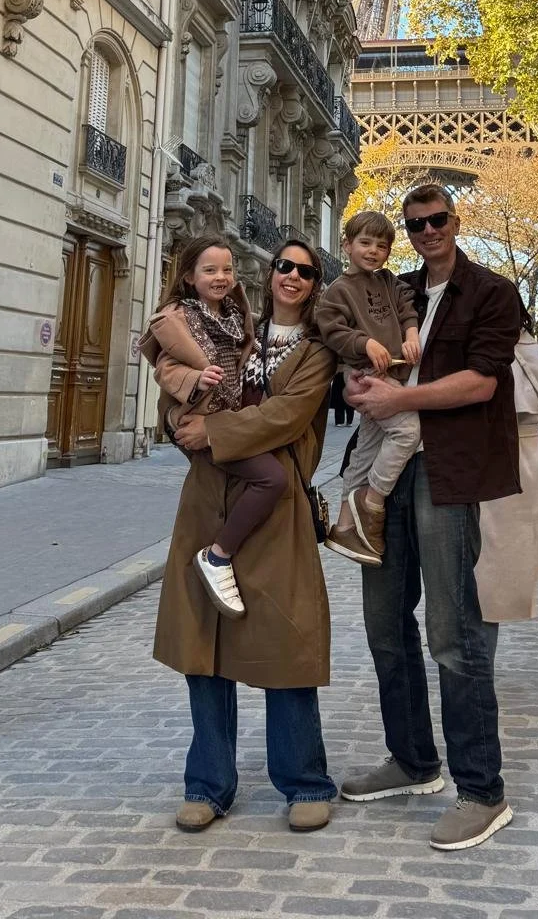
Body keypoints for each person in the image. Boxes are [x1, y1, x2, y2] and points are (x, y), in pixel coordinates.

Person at [340, 183, 521, 852]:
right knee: (384, 622)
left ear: (455, 219)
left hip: (449, 473)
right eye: (415, 224)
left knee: (453, 630)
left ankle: (481, 789)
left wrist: (401, 396)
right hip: (388, 467)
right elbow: (355, 354)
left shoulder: (492, 292)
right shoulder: (396, 290)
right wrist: (361, 389)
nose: (426, 231)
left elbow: (482, 382)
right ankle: (413, 760)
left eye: (437, 220)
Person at [151, 239, 337, 834]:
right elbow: (175, 384)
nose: (293, 276)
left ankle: (304, 780)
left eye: (306, 271)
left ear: (315, 285)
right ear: (271, 273)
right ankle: (208, 783)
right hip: (209, 501)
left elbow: (287, 415)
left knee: (286, 644)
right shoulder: (234, 330)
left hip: (276, 508)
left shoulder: (316, 351)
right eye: (284, 265)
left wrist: (216, 430)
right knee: (204, 652)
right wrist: (182, 416)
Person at [143, 238, 285, 619]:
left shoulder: (237, 315)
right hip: (196, 419)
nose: (221, 277)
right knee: (271, 478)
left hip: (225, 418)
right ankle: (218, 555)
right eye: (210, 270)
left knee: (253, 481)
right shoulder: (177, 319)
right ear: (189, 277)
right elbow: (164, 368)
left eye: (227, 269)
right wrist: (195, 378)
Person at [317, 210, 422, 564]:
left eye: (382, 245)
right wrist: (365, 344)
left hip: (392, 372)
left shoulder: (389, 282)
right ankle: (373, 499)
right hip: (367, 375)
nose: (374, 251)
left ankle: (345, 526)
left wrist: (410, 334)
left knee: (365, 451)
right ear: (346, 245)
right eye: (365, 242)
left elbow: (407, 307)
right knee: (408, 432)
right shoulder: (338, 291)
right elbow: (330, 330)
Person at [474, 305, 538, 624]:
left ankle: (480, 652)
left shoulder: (482, 346)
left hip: (492, 453)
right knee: (518, 552)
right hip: (530, 457)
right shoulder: (536, 352)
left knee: (487, 560)